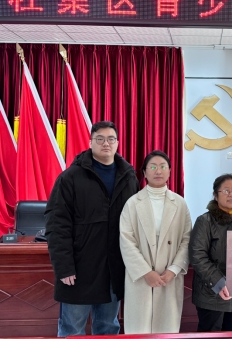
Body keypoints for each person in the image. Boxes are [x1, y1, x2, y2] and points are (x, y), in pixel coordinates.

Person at [45, 121, 139, 337]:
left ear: (117, 143)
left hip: (114, 269)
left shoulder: (128, 176)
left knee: (108, 328)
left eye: (111, 139)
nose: (106, 143)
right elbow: (56, 224)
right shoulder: (70, 177)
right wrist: (64, 267)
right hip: (79, 269)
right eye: (100, 139)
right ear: (90, 142)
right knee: (72, 330)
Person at [119, 150, 192, 333]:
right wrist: (145, 272)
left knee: (166, 328)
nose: (158, 171)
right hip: (140, 277)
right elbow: (126, 241)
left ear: (170, 171)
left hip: (169, 276)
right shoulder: (132, 203)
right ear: (144, 172)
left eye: (162, 166)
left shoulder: (180, 204)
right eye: (152, 167)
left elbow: (187, 239)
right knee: (139, 329)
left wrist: (174, 269)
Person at [189, 174, 232, 332]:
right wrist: (219, 282)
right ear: (215, 195)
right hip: (211, 294)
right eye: (226, 191)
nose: (231, 194)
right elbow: (197, 256)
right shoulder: (204, 221)